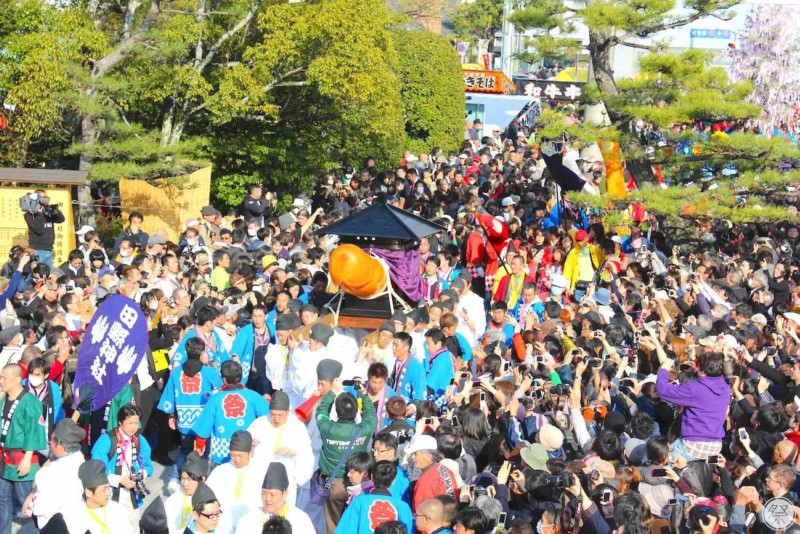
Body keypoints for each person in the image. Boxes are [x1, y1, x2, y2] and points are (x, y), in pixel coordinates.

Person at [158, 336, 223, 491]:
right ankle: (201, 482)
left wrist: (171, 415)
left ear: (186, 352)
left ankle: (176, 478)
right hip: (204, 421)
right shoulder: (209, 372)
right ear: (202, 352)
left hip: (184, 418)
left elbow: (169, 396)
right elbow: (220, 393)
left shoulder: (176, 372)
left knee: (184, 450)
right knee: (204, 453)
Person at [316, 377, 378, 533]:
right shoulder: (363, 430)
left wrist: (331, 392)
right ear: (356, 411)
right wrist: (363, 394)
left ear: (336, 411)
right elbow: (371, 416)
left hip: (333, 484)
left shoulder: (327, 427)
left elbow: (321, 411)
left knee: (333, 525)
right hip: (358, 484)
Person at [192, 360, 270, 466]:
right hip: (246, 447)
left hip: (222, 450)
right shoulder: (253, 395)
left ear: (224, 379)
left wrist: (200, 445)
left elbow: (204, 425)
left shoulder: (215, 398)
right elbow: (268, 417)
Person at [90, 403, 155, 528]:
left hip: (132, 494)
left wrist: (141, 475)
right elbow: (97, 469)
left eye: (136, 423)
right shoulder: (106, 440)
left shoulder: (140, 440)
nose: (134, 427)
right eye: (130, 423)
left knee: (132, 525)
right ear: (120, 422)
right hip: (110, 494)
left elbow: (147, 465)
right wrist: (119, 479)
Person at [0, 363, 47, 533]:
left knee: (26, 502)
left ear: (18, 379)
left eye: (4, 378)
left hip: (22, 458)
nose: (1, 381)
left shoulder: (30, 402)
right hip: (4, 459)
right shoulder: (3, 399)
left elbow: (34, 431)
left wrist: (27, 458)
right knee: (2, 500)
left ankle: (37, 530)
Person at [247, 390, 314, 506]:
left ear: (288, 412)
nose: (276, 419)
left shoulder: (298, 428)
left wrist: (294, 453)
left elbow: (306, 456)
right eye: (272, 414)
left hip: (285, 480)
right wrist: (249, 444)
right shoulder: (259, 424)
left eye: (280, 415)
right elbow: (244, 446)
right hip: (260, 479)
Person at [25, 419, 86, 531]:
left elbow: (41, 509)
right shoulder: (79, 459)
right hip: (76, 522)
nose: (49, 442)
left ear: (60, 446)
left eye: (52, 440)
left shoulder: (51, 472)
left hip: (56, 524)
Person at [334, 461, 414, 534]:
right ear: (393, 481)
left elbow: (344, 530)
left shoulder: (359, 501)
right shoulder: (402, 506)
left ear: (371, 477)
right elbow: (410, 530)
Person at [206, 430, 266, 527]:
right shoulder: (221, 471)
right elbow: (207, 496)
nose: (237, 460)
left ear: (250, 452)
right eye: (233, 455)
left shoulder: (261, 471)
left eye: (241, 456)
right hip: (222, 525)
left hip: (252, 525)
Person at [237, 462, 315, 533]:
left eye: (272, 495)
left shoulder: (300, 520)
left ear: (284, 494)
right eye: (264, 493)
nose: (267, 499)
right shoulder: (248, 520)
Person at [63, 459, 134, 534]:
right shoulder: (75, 516)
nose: (108, 493)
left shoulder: (117, 509)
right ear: (88, 492)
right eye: (104, 489)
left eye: (108, 488)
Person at [407, 434, 458, 513]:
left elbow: (419, 511)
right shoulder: (445, 469)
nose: (413, 457)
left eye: (415, 453)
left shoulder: (425, 481)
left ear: (428, 456)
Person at [165, 452, 209, 534]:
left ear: (202, 479)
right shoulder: (172, 500)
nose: (184, 483)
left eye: (189, 479)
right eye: (182, 478)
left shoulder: (208, 502)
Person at [23, 191, 65, 268]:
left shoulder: (47, 211)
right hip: (36, 250)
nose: (44, 200)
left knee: (47, 275)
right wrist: (39, 214)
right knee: (37, 275)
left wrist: (53, 209)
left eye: (46, 198)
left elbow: (61, 219)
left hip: (49, 249)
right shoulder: (29, 214)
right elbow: (38, 230)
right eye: (42, 198)